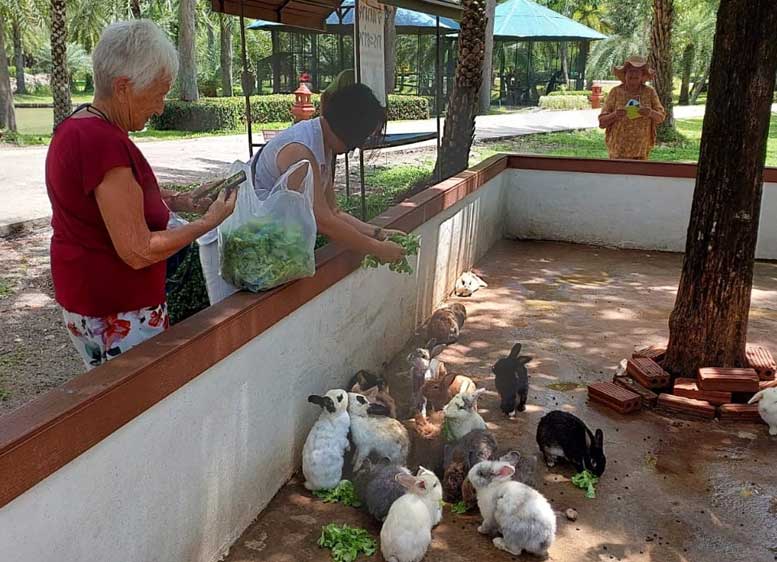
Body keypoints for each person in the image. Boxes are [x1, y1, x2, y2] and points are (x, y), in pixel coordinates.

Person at [45, 20, 236, 369]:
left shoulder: (81, 125)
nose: (161, 107)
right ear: (123, 87)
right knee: (142, 394)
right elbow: (137, 250)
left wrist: (177, 200)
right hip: (118, 310)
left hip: (94, 301)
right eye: (158, 94)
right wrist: (207, 223)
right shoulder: (102, 142)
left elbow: (111, 197)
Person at [200, 82, 405, 305]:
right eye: (365, 136)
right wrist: (377, 249)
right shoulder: (301, 151)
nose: (361, 144)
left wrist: (377, 233)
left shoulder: (323, 143)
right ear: (352, 129)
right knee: (237, 318)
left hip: (260, 242)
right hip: (231, 244)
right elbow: (324, 221)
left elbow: (334, 212)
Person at [598, 55, 666, 160]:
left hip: (641, 151)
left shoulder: (649, 92)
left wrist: (650, 112)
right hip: (617, 150)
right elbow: (602, 122)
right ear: (625, 74)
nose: (633, 74)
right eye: (630, 71)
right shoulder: (616, 92)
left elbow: (661, 117)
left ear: (642, 75)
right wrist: (615, 115)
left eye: (637, 71)